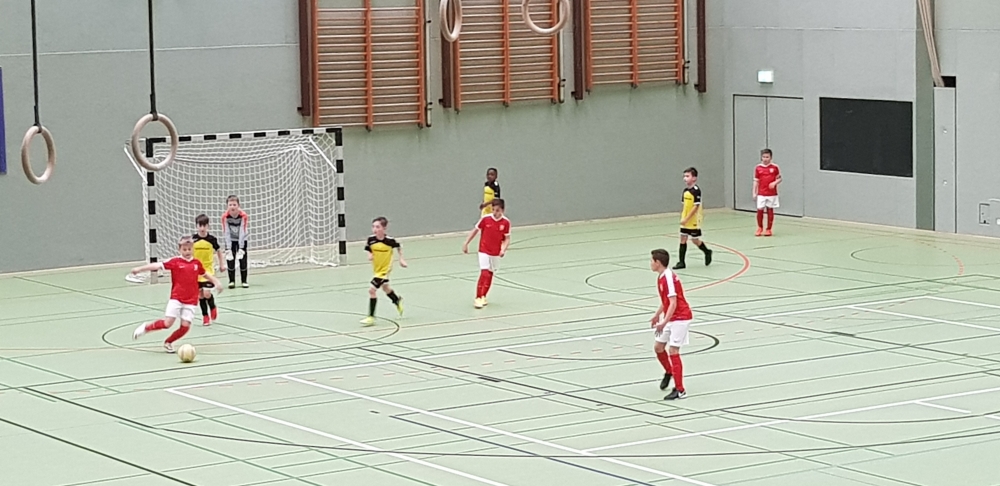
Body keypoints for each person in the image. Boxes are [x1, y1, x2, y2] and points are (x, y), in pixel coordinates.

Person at [131, 236, 223, 353]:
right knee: (167, 323)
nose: (187, 252)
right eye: (184, 249)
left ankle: (168, 342)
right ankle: (146, 328)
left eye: (189, 249)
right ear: (179, 249)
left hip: (191, 301)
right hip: (177, 298)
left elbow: (205, 274)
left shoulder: (196, 263)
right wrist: (139, 269)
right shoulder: (175, 262)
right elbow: (157, 266)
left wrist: (216, 282)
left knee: (185, 326)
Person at [649, 249, 690, 400]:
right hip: (671, 317)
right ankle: (669, 371)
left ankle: (680, 390)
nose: (650, 263)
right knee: (658, 347)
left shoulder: (668, 278)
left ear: (658, 262)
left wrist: (664, 322)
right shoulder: (661, 277)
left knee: (673, 350)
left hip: (680, 318)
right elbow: (666, 301)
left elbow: (673, 302)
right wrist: (657, 315)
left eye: (652, 261)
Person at [462, 198, 510, 309]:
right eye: (493, 210)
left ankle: (483, 296)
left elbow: (507, 238)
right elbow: (475, 231)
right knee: (484, 272)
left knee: (490, 273)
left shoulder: (506, 222)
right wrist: (466, 243)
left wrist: (503, 249)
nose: (495, 213)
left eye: (498, 210)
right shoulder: (485, 219)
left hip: (495, 252)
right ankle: (478, 297)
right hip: (484, 250)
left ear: (503, 210)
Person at [361, 217, 407, 326]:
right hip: (377, 269)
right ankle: (397, 300)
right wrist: (370, 255)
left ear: (384, 228)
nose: (375, 229)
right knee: (386, 288)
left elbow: (398, 247)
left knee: (372, 290)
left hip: (385, 270)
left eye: (378, 227)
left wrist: (401, 259)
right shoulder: (371, 240)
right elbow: (368, 249)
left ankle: (371, 317)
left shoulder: (390, 241)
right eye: (373, 227)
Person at [674, 167, 712, 270]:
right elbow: (684, 205)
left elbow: (695, 207)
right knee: (683, 238)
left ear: (694, 178)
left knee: (695, 240)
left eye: (687, 176)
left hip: (693, 220)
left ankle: (707, 251)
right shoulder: (685, 191)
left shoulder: (696, 191)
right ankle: (681, 262)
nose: (685, 178)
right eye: (684, 176)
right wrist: (683, 216)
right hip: (685, 219)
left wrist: (687, 219)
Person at [193, 214, 225, 325]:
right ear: (196, 226)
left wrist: (221, 264)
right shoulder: (193, 239)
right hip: (196, 272)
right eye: (200, 226)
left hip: (208, 271)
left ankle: (212, 307)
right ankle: (205, 316)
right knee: (200, 295)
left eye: (204, 226)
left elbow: (219, 251)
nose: (202, 228)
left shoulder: (212, 240)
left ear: (208, 226)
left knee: (207, 293)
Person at [222, 195, 249, 288]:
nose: (232, 207)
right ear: (227, 206)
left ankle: (244, 281)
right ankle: (231, 281)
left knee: (242, 260)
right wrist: (228, 248)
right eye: (230, 205)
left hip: (242, 239)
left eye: (234, 205)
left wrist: (241, 248)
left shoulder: (243, 216)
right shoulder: (225, 217)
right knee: (230, 259)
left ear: (238, 205)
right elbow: (226, 232)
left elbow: (242, 231)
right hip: (231, 240)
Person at [753, 148, 781, 236]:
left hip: (771, 194)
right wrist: (754, 192)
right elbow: (756, 181)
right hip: (761, 193)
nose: (765, 159)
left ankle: (769, 229)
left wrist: (774, 183)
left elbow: (779, 178)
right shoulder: (758, 168)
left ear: (771, 157)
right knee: (760, 210)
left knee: (770, 210)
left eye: (767, 157)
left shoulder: (775, 167)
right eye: (764, 157)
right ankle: (760, 228)